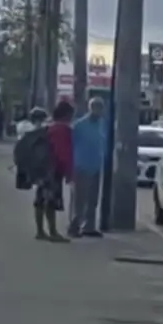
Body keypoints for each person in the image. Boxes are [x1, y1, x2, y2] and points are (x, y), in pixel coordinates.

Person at [68, 96, 107, 238]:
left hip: (96, 166)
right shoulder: (79, 125)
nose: (98, 111)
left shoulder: (102, 124)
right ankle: (74, 226)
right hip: (81, 166)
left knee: (92, 200)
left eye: (100, 108)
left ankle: (89, 227)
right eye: (96, 107)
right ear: (90, 108)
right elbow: (70, 146)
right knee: (79, 199)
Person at [37, 100, 75, 242]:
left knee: (40, 199)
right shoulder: (63, 130)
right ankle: (53, 232)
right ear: (66, 115)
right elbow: (63, 152)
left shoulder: (48, 126)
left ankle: (40, 231)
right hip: (53, 170)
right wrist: (69, 172)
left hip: (42, 168)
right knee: (51, 201)